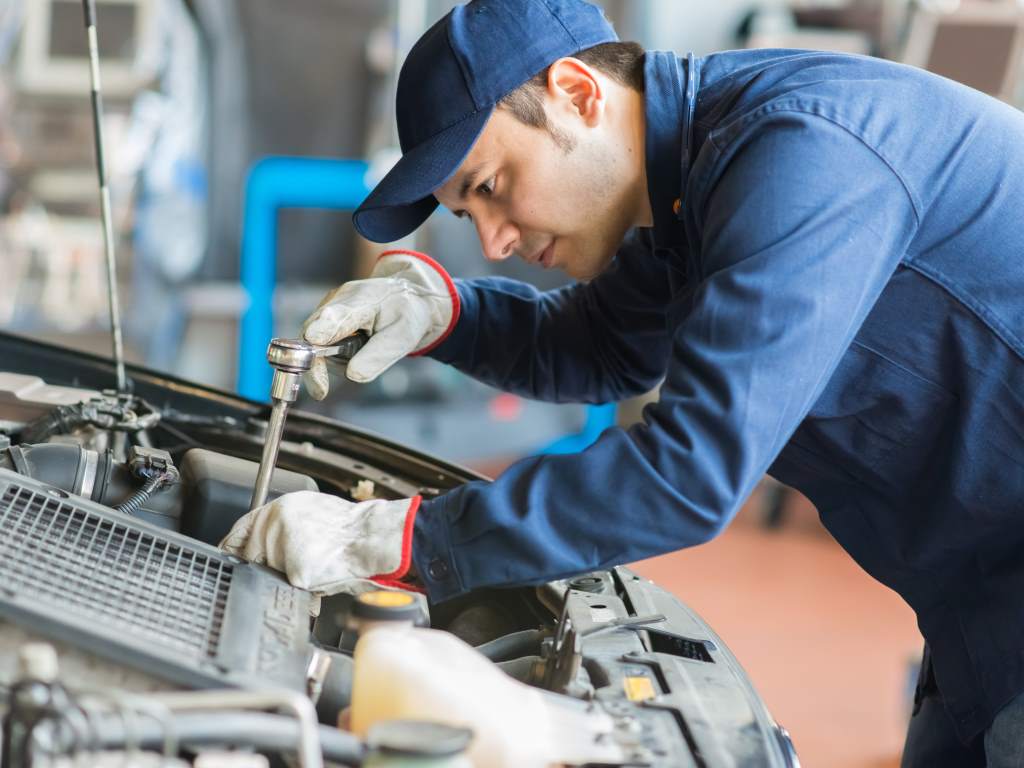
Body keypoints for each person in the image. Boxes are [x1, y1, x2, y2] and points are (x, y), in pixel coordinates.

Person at [219, 1, 1024, 763]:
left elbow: (690, 473)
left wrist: (400, 540)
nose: (494, 242)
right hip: (974, 608)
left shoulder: (798, 153)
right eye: (468, 216)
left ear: (575, 94)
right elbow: (602, 345)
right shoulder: (686, 191)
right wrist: (445, 311)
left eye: (491, 186)